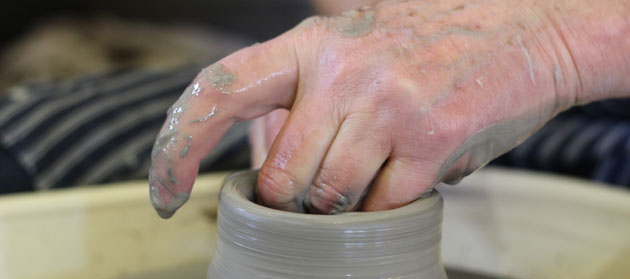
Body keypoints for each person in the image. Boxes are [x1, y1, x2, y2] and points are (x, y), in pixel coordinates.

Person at [148, 0, 630, 218]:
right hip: (438, 52)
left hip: (599, 70)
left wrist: (552, 41)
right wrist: (364, 48)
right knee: (80, 136)